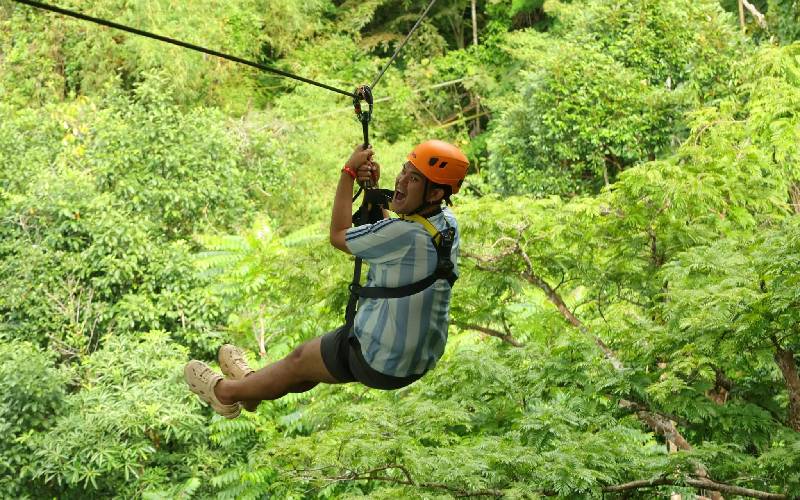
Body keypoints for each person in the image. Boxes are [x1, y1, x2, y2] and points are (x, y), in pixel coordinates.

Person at [184, 140, 469, 418]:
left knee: (299, 359)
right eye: (405, 170)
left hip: (379, 355)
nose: (401, 181)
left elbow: (338, 235)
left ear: (433, 195)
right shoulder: (446, 224)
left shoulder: (406, 236)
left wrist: (347, 173)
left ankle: (226, 393)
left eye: (414, 179)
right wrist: (371, 189)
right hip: (415, 358)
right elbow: (390, 238)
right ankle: (252, 389)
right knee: (310, 366)